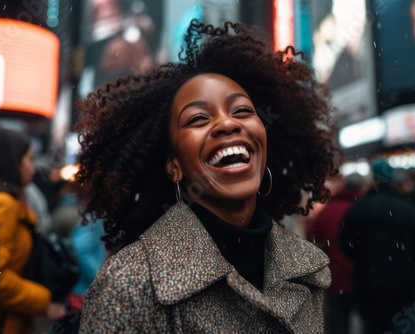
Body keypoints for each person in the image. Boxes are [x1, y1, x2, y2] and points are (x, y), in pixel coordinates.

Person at [74, 20, 338, 332]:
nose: (227, 124)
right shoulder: (127, 284)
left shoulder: (308, 267)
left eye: (241, 111)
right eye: (198, 118)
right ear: (174, 166)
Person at [0, 127, 66, 334]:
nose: (33, 168)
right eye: (29, 160)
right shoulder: (1, 203)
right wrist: (43, 302)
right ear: (10, 162)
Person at [339, 159, 415, 334]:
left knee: (374, 328)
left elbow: (346, 246)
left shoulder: (358, 209)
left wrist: (366, 260)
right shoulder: (409, 210)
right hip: (404, 285)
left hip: (368, 285)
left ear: (373, 179)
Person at [306, 173, 366, 334]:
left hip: (335, 276)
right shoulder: (364, 209)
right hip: (363, 276)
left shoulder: (327, 212)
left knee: (338, 322)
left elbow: (311, 241)